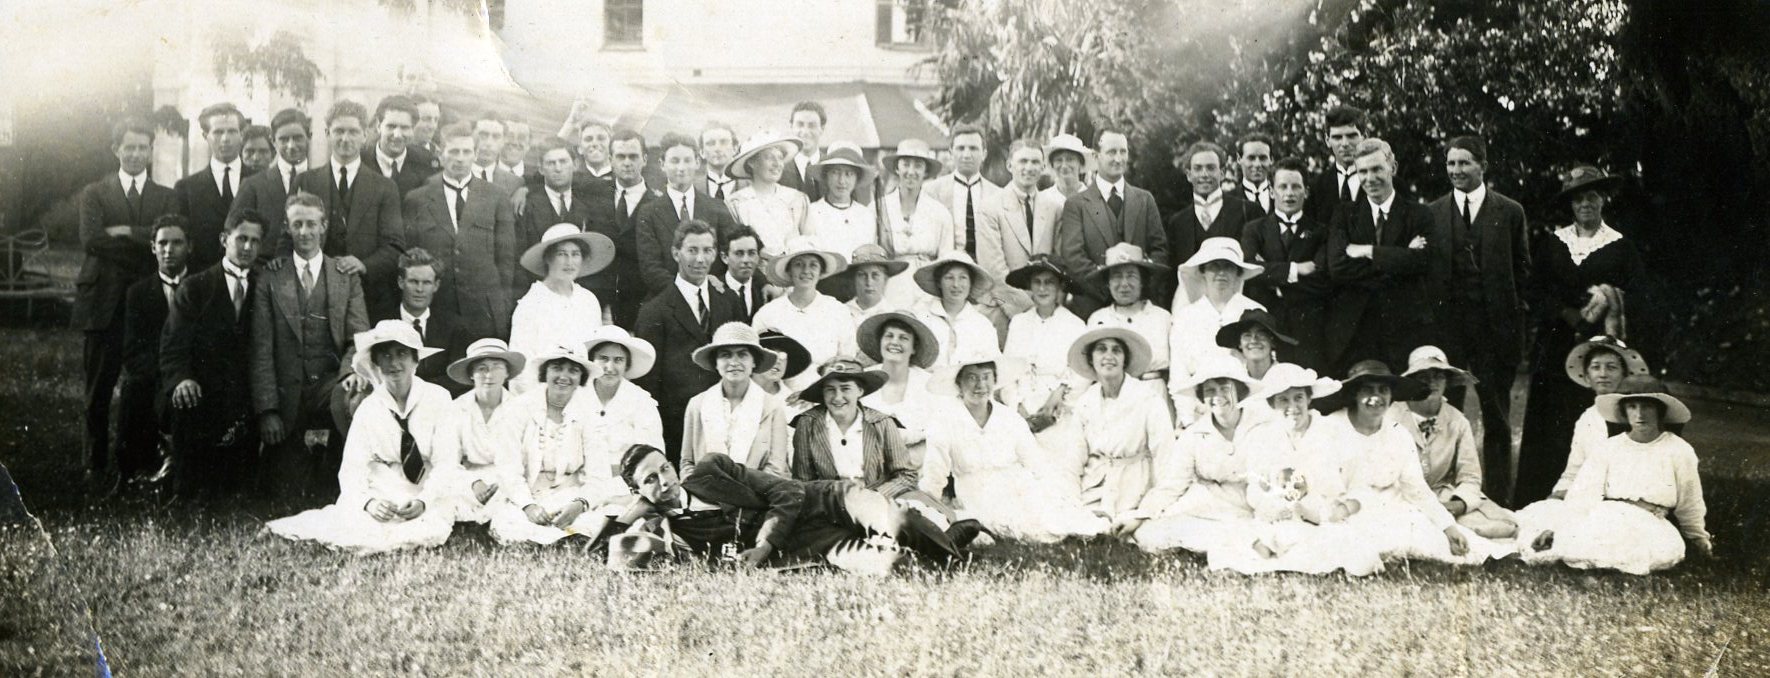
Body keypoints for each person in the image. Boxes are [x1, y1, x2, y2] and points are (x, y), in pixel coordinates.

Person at [1516, 166, 1653, 506]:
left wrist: (1608, 297)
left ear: (1603, 199)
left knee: (1595, 414)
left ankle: (1598, 498)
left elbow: (1639, 295)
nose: (1585, 204)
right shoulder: (1553, 243)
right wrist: (1566, 313)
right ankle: (1539, 499)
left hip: (1600, 350)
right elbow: (1534, 290)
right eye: (1578, 199)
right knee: (1550, 419)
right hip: (1556, 345)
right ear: (1571, 205)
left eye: (1592, 196)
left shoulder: (1621, 247)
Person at [265, 321, 455, 553]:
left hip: (425, 487)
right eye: (385, 355)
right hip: (383, 486)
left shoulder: (439, 399)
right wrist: (369, 503)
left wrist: (423, 501)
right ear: (376, 363)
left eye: (402, 354)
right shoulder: (369, 408)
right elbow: (352, 469)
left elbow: (447, 463)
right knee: (356, 526)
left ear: (415, 360)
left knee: (426, 530)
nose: (394, 363)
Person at [609, 445, 962, 570]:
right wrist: (636, 509)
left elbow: (788, 492)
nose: (665, 481)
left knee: (898, 521)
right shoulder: (673, 535)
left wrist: (764, 545)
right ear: (635, 490)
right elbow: (602, 553)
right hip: (812, 542)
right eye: (650, 480)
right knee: (889, 566)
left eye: (664, 469)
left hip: (827, 500)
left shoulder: (710, 469)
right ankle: (944, 539)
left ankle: (956, 553)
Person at [1314, 360, 1504, 565]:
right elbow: (1322, 483)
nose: (1376, 397)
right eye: (1368, 390)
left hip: (1390, 508)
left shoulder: (1398, 434)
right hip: (1343, 509)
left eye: (1383, 390)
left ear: (1392, 396)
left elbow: (1416, 488)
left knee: (1433, 540)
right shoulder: (1332, 427)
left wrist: (1448, 526)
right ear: (1355, 394)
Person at [1517, 376, 1710, 575]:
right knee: (1579, 542)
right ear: (1624, 412)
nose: (1640, 414)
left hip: (1648, 520)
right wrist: (1558, 528)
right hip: (1607, 515)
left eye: (1647, 407)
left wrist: (1698, 538)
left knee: (1650, 551)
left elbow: (1690, 501)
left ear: (1660, 410)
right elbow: (1583, 495)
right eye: (1632, 407)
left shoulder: (1678, 450)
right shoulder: (1609, 448)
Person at [251, 194, 372, 504]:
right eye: (297, 225)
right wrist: (268, 410)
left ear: (324, 227)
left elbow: (357, 339)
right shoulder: (271, 277)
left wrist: (350, 373)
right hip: (286, 389)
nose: (304, 232)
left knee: (357, 399)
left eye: (311, 224)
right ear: (288, 229)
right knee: (285, 494)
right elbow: (262, 348)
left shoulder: (345, 276)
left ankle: (340, 470)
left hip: (330, 385)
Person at [1429, 136, 1532, 501]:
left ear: (1482, 165)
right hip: (1449, 333)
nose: (1456, 170)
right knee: (1447, 415)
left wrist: (1513, 319)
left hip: (1494, 333)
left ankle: (1499, 496)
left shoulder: (1509, 212)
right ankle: (1449, 491)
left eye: (1464, 163)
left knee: (1497, 418)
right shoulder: (1434, 212)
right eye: (1451, 164)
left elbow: (1522, 273)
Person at [78, 117, 179, 485]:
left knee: (145, 381)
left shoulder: (164, 196)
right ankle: (94, 464)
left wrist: (122, 232)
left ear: (151, 151)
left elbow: (168, 234)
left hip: (146, 304)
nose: (136, 154)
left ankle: (140, 458)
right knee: (98, 387)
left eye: (142, 147)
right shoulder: (95, 193)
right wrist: (143, 245)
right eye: (129, 147)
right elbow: (91, 240)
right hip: (102, 303)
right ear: (116, 150)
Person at [1211, 364, 1385, 576]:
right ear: (1272, 403)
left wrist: (1343, 509)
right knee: (1232, 536)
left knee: (1355, 553)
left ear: (1309, 399)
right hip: (1278, 521)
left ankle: (1281, 562)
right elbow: (1255, 489)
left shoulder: (1335, 433)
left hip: (1323, 521)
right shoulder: (1261, 436)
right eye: (1283, 399)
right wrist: (1269, 507)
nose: (1292, 406)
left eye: (1298, 398)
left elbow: (1361, 486)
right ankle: (1285, 558)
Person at [789, 358, 979, 543]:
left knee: (910, 510)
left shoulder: (882, 423)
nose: (838, 397)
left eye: (846, 389)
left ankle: (940, 537)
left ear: (860, 391)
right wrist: (836, 500)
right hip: (832, 504)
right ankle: (929, 542)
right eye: (830, 390)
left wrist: (874, 497)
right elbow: (803, 481)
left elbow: (905, 475)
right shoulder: (808, 425)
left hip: (880, 496)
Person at [925, 354, 1107, 543]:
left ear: (994, 381)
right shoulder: (945, 421)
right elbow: (934, 476)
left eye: (986, 377)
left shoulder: (1009, 418)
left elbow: (1036, 464)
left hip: (1018, 486)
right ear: (959, 384)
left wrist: (1054, 494)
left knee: (1055, 519)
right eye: (971, 377)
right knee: (1020, 527)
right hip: (978, 493)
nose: (980, 385)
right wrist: (932, 511)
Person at [161, 210, 264, 501]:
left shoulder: (264, 287)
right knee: (188, 407)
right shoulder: (196, 286)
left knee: (239, 486)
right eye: (241, 238)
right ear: (224, 240)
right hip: (202, 387)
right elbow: (173, 343)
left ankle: (236, 485)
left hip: (245, 390)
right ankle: (187, 487)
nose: (247, 247)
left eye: (255, 242)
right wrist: (181, 378)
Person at [488, 344, 632, 545]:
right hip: (525, 495)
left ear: (580, 378)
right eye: (557, 368)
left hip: (569, 494)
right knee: (512, 525)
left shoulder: (589, 413)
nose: (564, 376)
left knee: (598, 520)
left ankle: (565, 534)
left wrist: (579, 504)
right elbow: (507, 467)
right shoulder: (518, 408)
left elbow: (598, 475)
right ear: (544, 373)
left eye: (573, 371)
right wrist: (528, 506)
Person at [1123, 354, 1264, 553]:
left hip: (1246, 508)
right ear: (1201, 397)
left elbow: (1267, 480)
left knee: (1259, 538)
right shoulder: (1194, 434)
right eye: (1210, 391)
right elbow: (1173, 484)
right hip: (1203, 507)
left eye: (1225, 388)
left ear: (1239, 391)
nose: (1218, 396)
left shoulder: (1260, 428)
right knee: (1149, 533)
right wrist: (1141, 514)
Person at [1324, 137, 1439, 374]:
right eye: (1362, 171)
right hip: (1356, 331)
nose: (1370, 178)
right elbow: (1338, 267)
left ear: (1393, 168)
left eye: (1377, 169)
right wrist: (1401, 258)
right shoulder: (1345, 215)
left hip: (1404, 329)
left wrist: (1368, 251)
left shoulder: (1419, 215)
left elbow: (1424, 261)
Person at [634, 220, 744, 464]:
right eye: (692, 250)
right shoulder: (655, 310)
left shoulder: (729, 302)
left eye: (707, 250)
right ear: (676, 253)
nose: (700, 259)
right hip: (678, 426)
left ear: (716, 254)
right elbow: (648, 382)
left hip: (728, 421)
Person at [402, 122, 518, 342]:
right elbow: (410, 256)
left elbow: (506, 259)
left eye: (466, 152)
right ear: (441, 154)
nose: (460, 158)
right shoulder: (417, 198)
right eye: (453, 151)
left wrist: (502, 307)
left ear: (475, 155)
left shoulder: (496, 196)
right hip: (437, 308)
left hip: (484, 310)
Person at [1389, 346, 1519, 539]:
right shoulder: (1391, 416)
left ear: (1447, 381)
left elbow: (1470, 476)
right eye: (1423, 376)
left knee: (1504, 526)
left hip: (1441, 496)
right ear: (1411, 381)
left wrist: (1457, 504)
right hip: (1400, 496)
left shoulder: (1457, 421)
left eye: (1438, 376)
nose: (1432, 382)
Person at [292, 99, 406, 312]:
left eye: (353, 131)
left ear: (365, 135)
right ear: (327, 133)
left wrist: (364, 264)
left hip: (367, 297)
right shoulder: (305, 182)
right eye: (339, 131)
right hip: (315, 296)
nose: (345, 138)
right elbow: (288, 236)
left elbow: (395, 247)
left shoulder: (385, 187)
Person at [1514, 335, 1650, 508]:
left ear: (1625, 374)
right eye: (1595, 367)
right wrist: (1557, 496)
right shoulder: (1587, 419)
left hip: (1627, 503)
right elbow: (1574, 470)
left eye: (1611, 367)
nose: (1603, 374)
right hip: (1587, 498)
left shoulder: (1638, 414)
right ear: (1586, 377)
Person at [1001, 257, 1090, 495]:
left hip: (1059, 411)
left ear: (1059, 286)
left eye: (1049, 282)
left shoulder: (1075, 324)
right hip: (1023, 408)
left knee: (1060, 475)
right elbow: (1007, 372)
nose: (1042, 289)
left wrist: (1057, 400)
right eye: (1037, 282)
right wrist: (1017, 408)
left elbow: (1081, 372)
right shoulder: (1019, 323)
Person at [1056, 129, 1168, 316]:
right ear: (1095, 155)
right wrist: (1112, 291)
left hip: (1139, 308)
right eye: (1111, 152)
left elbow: (1160, 251)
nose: (1118, 158)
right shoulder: (1076, 205)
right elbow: (1074, 258)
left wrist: (1135, 290)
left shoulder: (1144, 199)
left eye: (1123, 151)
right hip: (1092, 308)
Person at [1069, 327, 1174, 523]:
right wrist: (1071, 501)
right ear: (1091, 359)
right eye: (1101, 349)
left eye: (1116, 350)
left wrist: (1149, 508)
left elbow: (1166, 457)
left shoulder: (1148, 398)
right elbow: (1073, 460)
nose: (1109, 356)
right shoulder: (1085, 402)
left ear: (1125, 360)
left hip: (1136, 487)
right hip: (1096, 486)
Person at [115, 216, 188, 487]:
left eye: (177, 243)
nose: (169, 250)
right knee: (134, 390)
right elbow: (133, 350)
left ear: (189, 246)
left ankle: (179, 468)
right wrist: (165, 376)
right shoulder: (138, 293)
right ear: (153, 248)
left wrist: (181, 375)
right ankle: (130, 471)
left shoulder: (202, 287)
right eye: (163, 243)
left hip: (190, 375)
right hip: (154, 375)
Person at [1240, 157, 1331, 372]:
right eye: (1282, 186)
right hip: (1267, 326)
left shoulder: (1321, 232)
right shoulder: (1254, 229)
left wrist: (1272, 277)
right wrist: (1295, 269)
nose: (1289, 193)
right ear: (1272, 191)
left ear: (1306, 192)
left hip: (1308, 329)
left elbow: (1323, 280)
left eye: (1295, 187)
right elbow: (1249, 270)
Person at [679, 323, 793, 477]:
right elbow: (687, 462)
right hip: (705, 495)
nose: (734, 362)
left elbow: (775, 468)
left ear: (754, 362)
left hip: (756, 496)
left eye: (742, 354)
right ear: (716, 363)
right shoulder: (697, 404)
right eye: (725, 355)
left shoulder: (772, 407)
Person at [509, 223, 615, 389]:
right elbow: (522, 370)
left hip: (583, 397)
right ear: (548, 258)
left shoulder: (587, 300)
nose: (569, 262)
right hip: (542, 398)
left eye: (575, 254)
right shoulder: (531, 305)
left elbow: (594, 356)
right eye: (562, 254)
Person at [436, 338, 526, 524]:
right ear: (471, 374)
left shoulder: (520, 409)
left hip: (507, 479)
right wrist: (473, 483)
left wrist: (502, 483)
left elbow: (522, 461)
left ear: (507, 372)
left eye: (496, 367)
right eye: (481, 368)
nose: (489, 375)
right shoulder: (456, 409)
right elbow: (447, 459)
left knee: (511, 499)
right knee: (444, 495)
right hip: (467, 478)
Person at [637, 132, 739, 293]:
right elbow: (651, 268)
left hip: (713, 294)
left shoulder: (716, 207)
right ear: (662, 164)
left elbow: (734, 250)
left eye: (687, 160)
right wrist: (688, 290)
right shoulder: (649, 212)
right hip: (668, 297)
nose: (681, 168)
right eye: (674, 161)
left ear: (697, 162)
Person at [855, 312, 942, 495]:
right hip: (866, 477)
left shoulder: (929, 385)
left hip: (919, 481)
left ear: (914, 348)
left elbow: (937, 438)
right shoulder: (862, 381)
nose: (894, 342)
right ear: (880, 342)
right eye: (889, 336)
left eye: (903, 338)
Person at [751, 237, 854, 391]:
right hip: (780, 399)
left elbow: (847, 364)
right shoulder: (768, 314)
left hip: (827, 396)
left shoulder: (838, 311)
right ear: (789, 270)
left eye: (813, 265)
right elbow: (757, 368)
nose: (806, 271)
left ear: (821, 271)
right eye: (799, 265)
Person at [370, 248, 469, 396]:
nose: (420, 289)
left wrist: (421, 393)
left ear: (436, 286)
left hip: (438, 404)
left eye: (427, 283)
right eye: (413, 282)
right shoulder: (380, 323)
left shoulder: (453, 326)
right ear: (401, 282)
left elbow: (457, 377)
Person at [1164, 141, 1265, 283]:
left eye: (1211, 168)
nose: (1204, 174)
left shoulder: (1249, 211)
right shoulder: (1178, 222)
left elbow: (1261, 268)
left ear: (1222, 173)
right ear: (1188, 175)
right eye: (1198, 168)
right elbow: (1172, 276)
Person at [878, 139, 959, 309]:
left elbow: (946, 261)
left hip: (926, 290)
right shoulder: (879, 208)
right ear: (897, 168)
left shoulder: (940, 213)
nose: (911, 171)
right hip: (890, 288)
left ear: (925, 171)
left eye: (918, 166)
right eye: (906, 164)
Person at [976, 139, 1065, 283]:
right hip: (1006, 301)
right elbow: (994, 270)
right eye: (1023, 161)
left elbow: (1058, 263)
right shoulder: (990, 208)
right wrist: (1024, 303)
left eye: (1035, 162)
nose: (1029, 168)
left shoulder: (1055, 209)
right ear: (1009, 165)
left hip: (1045, 299)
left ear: (1043, 167)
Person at [174, 102, 248, 271]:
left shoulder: (259, 180)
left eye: (232, 131)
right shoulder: (186, 189)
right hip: (203, 280)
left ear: (242, 134)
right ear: (205, 135)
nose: (225, 138)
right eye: (218, 132)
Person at [1084, 243, 1172, 384]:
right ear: (1108, 282)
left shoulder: (1162, 318)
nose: (1124, 284)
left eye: (1131, 276)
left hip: (1153, 392)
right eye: (1117, 277)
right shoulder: (1098, 319)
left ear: (1142, 281)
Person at [230, 108, 310, 258]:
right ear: (273, 141)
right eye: (284, 139)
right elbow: (234, 233)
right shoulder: (253, 185)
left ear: (309, 137)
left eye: (298, 138)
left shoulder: (323, 181)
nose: (291, 146)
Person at [607, 127, 660, 326]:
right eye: (620, 156)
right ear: (610, 159)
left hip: (643, 304)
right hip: (602, 303)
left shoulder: (658, 205)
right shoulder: (595, 194)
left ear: (644, 159)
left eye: (633, 156)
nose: (627, 163)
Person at [725, 132, 808, 257]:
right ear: (752, 162)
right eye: (769, 157)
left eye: (780, 158)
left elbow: (810, 242)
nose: (777, 164)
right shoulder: (736, 203)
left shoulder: (797, 199)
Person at [925, 124, 1002, 259]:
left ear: (984, 154)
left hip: (986, 269)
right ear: (951, 153)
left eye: (973, 148)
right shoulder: (932, 191)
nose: (966, 155)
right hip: (947, 267)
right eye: (960, 148)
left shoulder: (998, 195)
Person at [912, 252, 1000, 367]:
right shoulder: (921, 317)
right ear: (939, 282)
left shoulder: (982, 325)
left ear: (970, 283)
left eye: (963, 278)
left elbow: (993, 365)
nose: (956, 285)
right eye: (949, 278)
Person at [804, 141, 879, 259]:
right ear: (826, 176)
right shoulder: (812, 212)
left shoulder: (866, 215)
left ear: (857, 178)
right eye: (835, 172)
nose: (842, 181)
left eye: (849, 174)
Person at [361, 94, 440, 196]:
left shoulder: (426, 163)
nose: (397, 135)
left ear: (412, 129)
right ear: (378, 126)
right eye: (391, 126)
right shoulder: (360, 161)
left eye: (404, 128)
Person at [1304, 104, 1367, 225]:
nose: (1345, 143)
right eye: (1337, 137)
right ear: (1327, 140)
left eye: (1351, 136)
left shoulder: (1382, 183)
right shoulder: (1316, 188)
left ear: (1364, 137)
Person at [1214, 308, 1293, 385]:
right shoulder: (1235, 380)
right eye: (1247, 335)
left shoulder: (1287, 378)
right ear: (1239, 344)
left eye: (1261, 334)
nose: (1253, 340)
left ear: (1272, 342)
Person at [834, 243, 906, 323]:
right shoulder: (841, 312)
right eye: (862, 275)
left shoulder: (893, 315)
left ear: (885, 280)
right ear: (854, 279)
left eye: (875, 275)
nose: (869, 282)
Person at [754, 330, 813, 412]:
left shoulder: (796, 404)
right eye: (770, 354)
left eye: (783, 356)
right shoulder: (733, 393)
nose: (778, 361)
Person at [720, 225, 768, 322]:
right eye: (739, 253)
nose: (746, 260)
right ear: (724, 257)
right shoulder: (712, 291)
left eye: (751, 253)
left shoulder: (764, 292)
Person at [781, 101, 827, 200]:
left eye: (812, 126)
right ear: (791, 127)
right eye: (800, 125)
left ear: (822, 129)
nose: (805, 132)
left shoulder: (831, 167)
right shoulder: (780, 168)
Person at [467, 115, 524, 197]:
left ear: (504, 141)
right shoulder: (454, 173)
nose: (489, 143)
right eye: (483, 135)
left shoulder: (515, 183)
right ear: (471, 136)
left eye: (496, 137)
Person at [698, 121, 746, 200]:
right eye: (710, 143)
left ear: (735, 148)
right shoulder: (692, 188)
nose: (717, 148)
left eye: (724, 142)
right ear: (702, 152)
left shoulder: (751, 186)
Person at [1235, 133, 1276, 213]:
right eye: (1251, 158)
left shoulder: (1281, 197)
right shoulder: (1227, 200)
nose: (1257, 164)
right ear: (1239, 159)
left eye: (1263, 158)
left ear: (1271, 159)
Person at [1042, 133, 1090, 199]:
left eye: (1070, 159)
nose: (1064, 166)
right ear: (1052, 165)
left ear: (1081, 164)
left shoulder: (1092, 199)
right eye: (1059, 160)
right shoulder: (1043, 198)